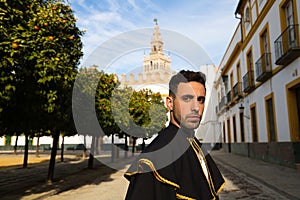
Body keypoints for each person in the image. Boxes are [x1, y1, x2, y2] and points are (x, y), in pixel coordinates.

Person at [124, 70, 225, 200]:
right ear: (169, 103)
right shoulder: (154, 159)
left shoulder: (194, 145)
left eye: (200, 100)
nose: (195, 107)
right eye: (187, 98)